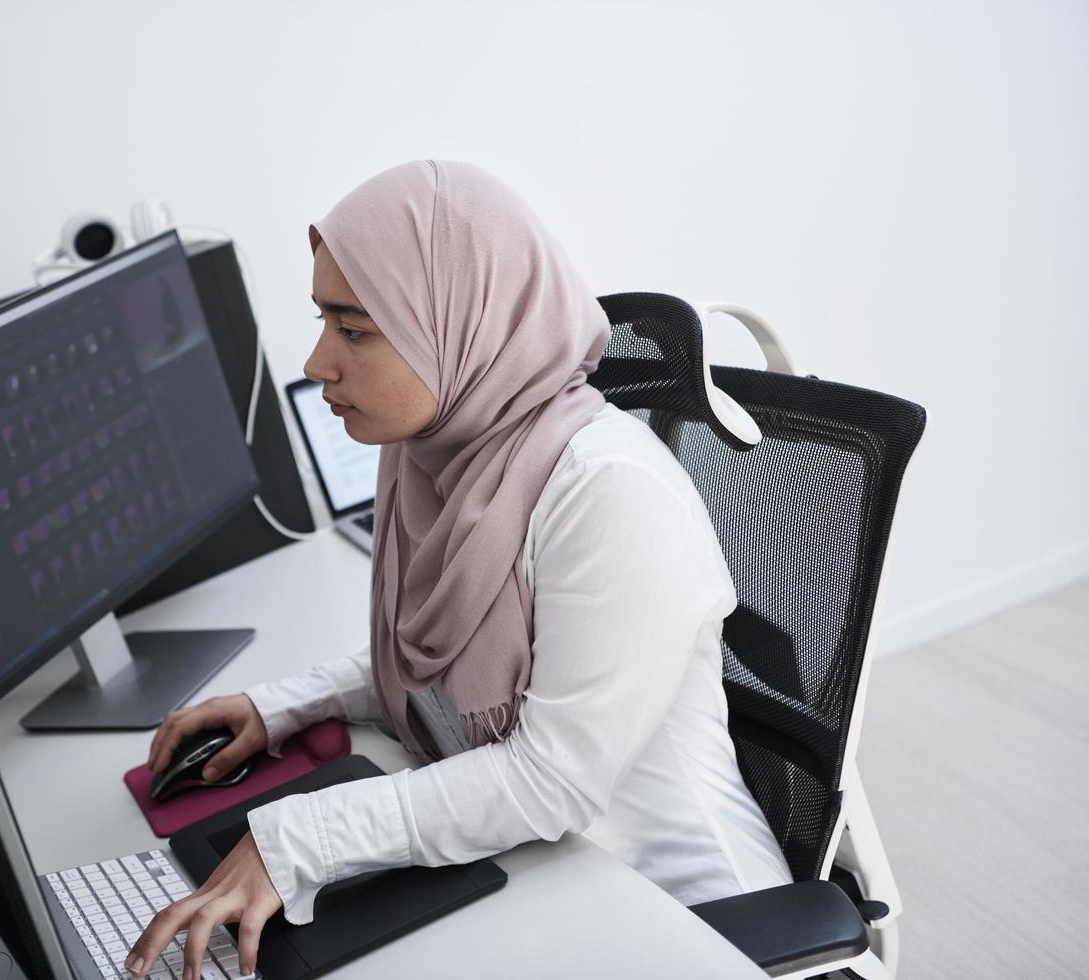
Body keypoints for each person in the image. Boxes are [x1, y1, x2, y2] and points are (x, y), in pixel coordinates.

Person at [123, 160, 792, 980]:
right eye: (323, 321)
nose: (316, 361)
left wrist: (300, 839)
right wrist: (285, 705)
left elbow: (551, 781)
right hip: (533, 886)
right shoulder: (437, 459)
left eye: (354, 330)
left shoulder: (610, 490)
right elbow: (441, 680)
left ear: (461, 325)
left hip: (680, 922)